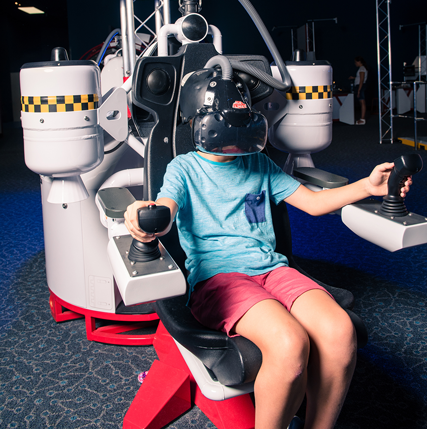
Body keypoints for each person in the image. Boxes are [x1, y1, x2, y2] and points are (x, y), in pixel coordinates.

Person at [124, 62, 412, 429]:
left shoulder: (257, 161)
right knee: (290, 344)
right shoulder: (184, 168)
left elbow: (312, 202)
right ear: (200, 123)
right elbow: (163, 211)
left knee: (341, 331)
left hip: (273, 270)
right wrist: (142, 217)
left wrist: (367, 187)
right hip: (220, 278)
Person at [349, 56, 368, 125]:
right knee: (361, 102)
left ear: (359, 62)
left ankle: (362, 119)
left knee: (362, 102)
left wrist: (359, 90)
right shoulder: (361, 69)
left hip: (360, 86)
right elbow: (360, 77)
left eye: (355, 62)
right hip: (360, 86)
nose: (355, 63)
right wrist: (354, 77)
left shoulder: (362, 69)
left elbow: (361, 80)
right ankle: (362, 119)